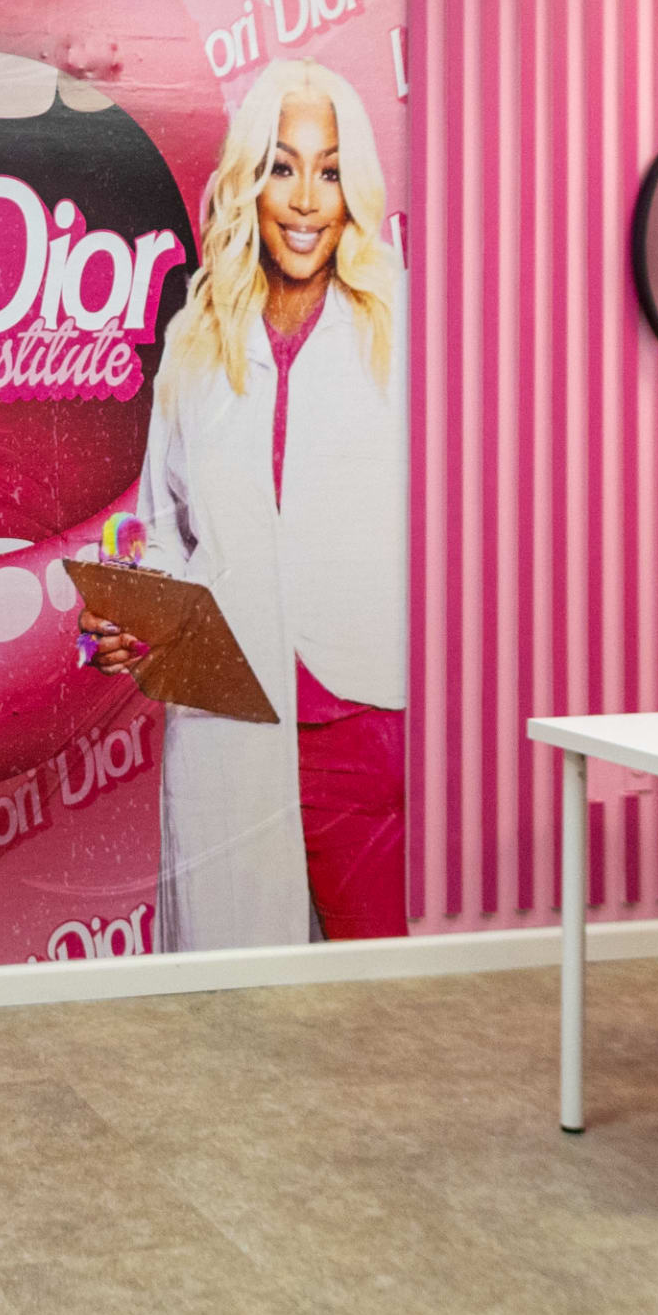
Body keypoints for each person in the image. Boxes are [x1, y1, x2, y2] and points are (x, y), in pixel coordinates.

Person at [81, 58, 407, 950]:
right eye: (281, 165)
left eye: (330, 170)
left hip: (364, 722)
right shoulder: (195, 339)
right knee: (232, 1005)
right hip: (228, 708)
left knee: (385, 998)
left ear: (355, 187)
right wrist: (121, 619)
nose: (306, 199)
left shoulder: (405, 328)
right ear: (249, 182)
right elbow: (153, 526)